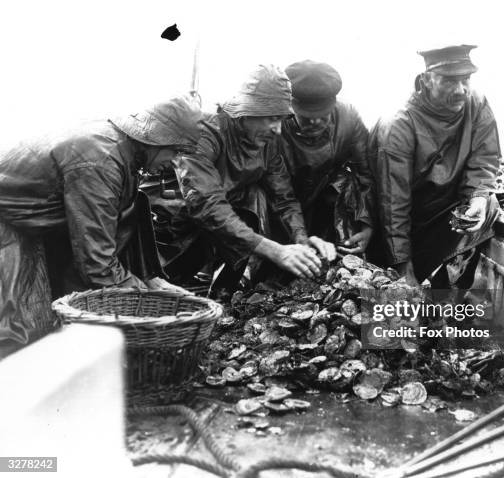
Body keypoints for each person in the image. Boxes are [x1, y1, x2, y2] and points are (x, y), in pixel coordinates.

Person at [0, 95, 203, 353]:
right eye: (174, 150)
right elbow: (96, 263)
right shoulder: (101, 161)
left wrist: (149, 279)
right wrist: (146, 297)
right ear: (155, 139)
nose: (175, 161)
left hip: (31, 217)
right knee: (16, 337)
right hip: (8, 220)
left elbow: (115, 224)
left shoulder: (123, 152)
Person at [150, 65, 336, 290]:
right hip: (168, 226)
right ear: (248, 111)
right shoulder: (205, 131)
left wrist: (302, 241)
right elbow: (205, 202)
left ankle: (224, 294)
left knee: (254, 197)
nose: (278, 130)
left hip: (216, 225)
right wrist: (274, 250)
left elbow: (283, 197)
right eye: (272, 118)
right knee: (162, 289)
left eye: (281, 119)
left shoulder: (267, 142)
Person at [369, 45, 501, 291]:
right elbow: (392, 204)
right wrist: (401, 265)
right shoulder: (399, 125)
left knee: (490, 205)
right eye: (450, 81)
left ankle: (449, 297)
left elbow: (485, 156)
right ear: (426, 80)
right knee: (400, 283)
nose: (461, 90)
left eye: (466, 79)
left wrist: (478, 198)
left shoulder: (477, 102)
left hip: (445, 213)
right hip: (401, 226)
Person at [279, 60, 375, 254]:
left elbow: (367, 175)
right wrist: (300, 238)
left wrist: (367, 224)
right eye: (305, 115)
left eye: (322, 114)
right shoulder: (274, 123)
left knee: (347, 182)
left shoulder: (348, 117)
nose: (314, 121)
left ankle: (344, 251)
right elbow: (280, 194)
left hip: (323, 199)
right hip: (279, 204)